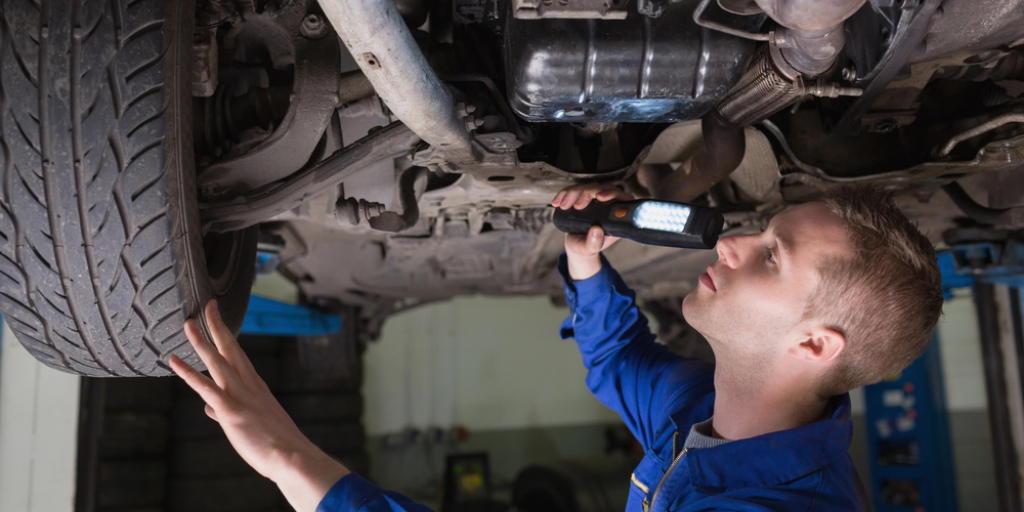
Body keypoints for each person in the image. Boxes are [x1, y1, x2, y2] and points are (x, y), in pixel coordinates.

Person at [171, 183, 943, 511]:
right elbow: (617, 363)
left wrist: (288, 457)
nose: (737, 242)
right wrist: (583, 261)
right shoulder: (711, 416)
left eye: (771, 255)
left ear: (814, 342)